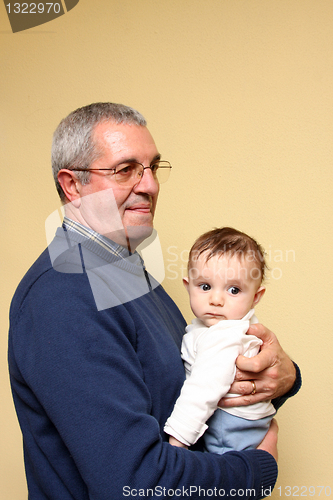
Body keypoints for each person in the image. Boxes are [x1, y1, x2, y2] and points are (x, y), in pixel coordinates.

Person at [8, 102, 301, 500]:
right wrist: (257, 471)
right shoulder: (64, 296)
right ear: (72, 185)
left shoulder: (127, 274)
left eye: (152, 168)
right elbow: (136, 483)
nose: (149, 185)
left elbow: (191, 380)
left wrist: (284, 379)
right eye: (125, 170)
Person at [164, 227, 276, 454]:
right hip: (243, 419)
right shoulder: (212, 327)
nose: (216, 299)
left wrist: (178, 439)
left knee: (222, 477)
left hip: (231, 424)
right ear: (188, 287)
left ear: (255, 297)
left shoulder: (224, 336)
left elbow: (204, 388)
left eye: (234, 290)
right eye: (205, 287)